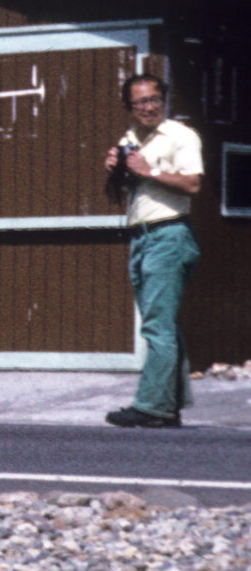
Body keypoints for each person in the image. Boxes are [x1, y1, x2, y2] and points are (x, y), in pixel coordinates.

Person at [102, 71, 203, 427]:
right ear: (129, 107)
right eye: (140, 102)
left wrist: (149, 171)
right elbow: (125, 194)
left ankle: (151, 406)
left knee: (157, 325)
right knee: (162, 323)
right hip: (143, 235)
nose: (148, 107)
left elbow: (192, 184)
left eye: (153, 100)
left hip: (169, 233)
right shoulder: (131, 139)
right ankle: (168, 404)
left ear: (164, 99)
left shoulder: (180, 136)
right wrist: (116, 171)